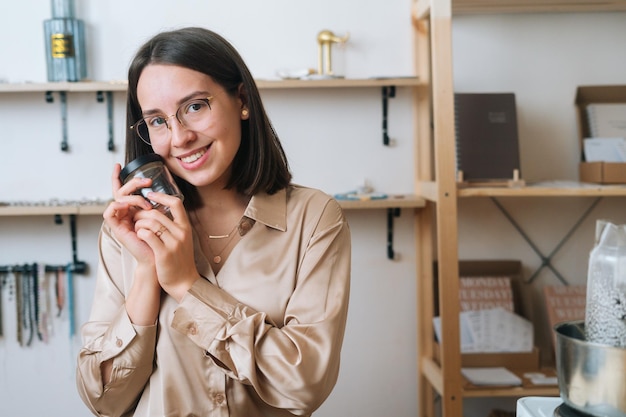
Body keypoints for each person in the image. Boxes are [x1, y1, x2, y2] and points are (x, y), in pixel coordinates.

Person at [76, 27, 351, 417]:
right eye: (157, 121)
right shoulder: (125, 231)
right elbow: (103, 400)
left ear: (241, 100)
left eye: (194, 107)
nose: (180, 137)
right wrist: (147, 270)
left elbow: (304, 385)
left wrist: (187, 286)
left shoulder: (314, 218)